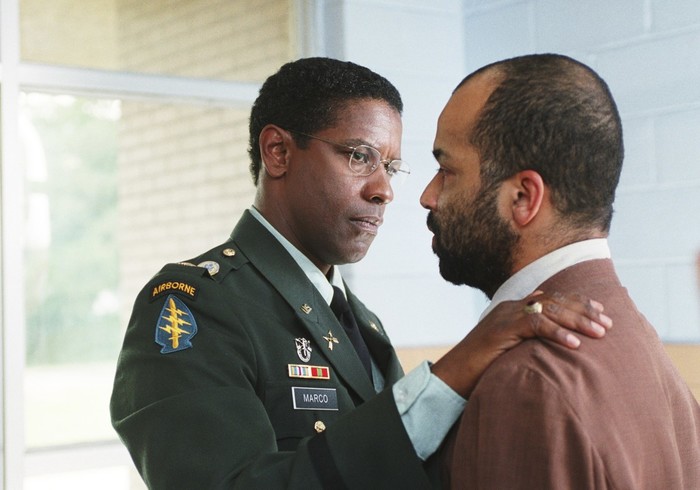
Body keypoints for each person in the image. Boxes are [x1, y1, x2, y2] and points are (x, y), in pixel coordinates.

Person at [110, 57, 612, 489]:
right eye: (359, 157)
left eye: (390, 168)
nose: (383, 190)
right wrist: (453, 370)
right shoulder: (195, 304)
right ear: (278, 152)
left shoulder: (359, 321)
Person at [420, 53, 700, 489]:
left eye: (446, 170)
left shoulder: (529, 382)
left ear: (523, 198)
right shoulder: (642, 345)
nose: (428, 195)